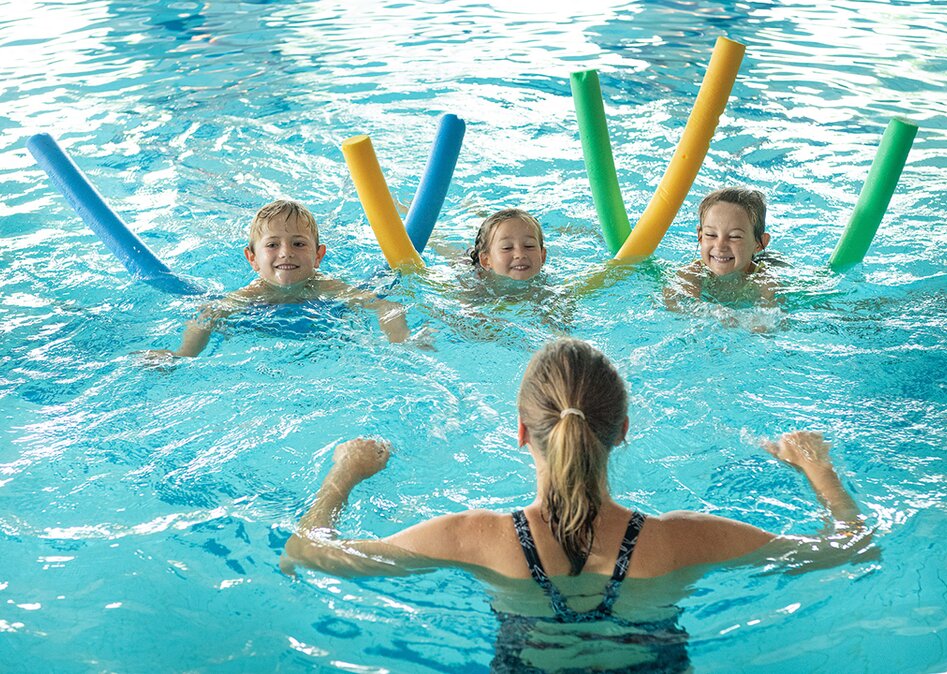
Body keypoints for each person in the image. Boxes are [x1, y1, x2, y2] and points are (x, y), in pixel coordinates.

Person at [281, 339, 870, 671]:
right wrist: (817, 469)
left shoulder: (475, 538)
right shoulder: (679, 540)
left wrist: (346, 474)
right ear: (623, 432)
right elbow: (851, 547)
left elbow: (305, 554)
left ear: (520, 433)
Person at [145, 200, 411, 358]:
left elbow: (386, 306)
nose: (286, 253)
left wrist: (401, 343)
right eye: (272, 245)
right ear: (253, 259)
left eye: (298, 243)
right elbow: (208, 314)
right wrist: (183, 354)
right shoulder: (252, 295)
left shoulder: (326, 287)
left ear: (318, 256)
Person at [665, 187, 778, 309]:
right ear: (700, 236)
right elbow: (674, 306)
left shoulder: (766, 283)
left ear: (759, 243)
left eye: (734, 236)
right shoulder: (691, 275)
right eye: (711, 235)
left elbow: (772, 322)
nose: (720, 245)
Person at [468, 208, 547, 281]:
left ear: (542, 256)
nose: (520, 254)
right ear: (486, 260)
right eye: (507, 248)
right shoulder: (473, 287)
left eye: (529, 246)